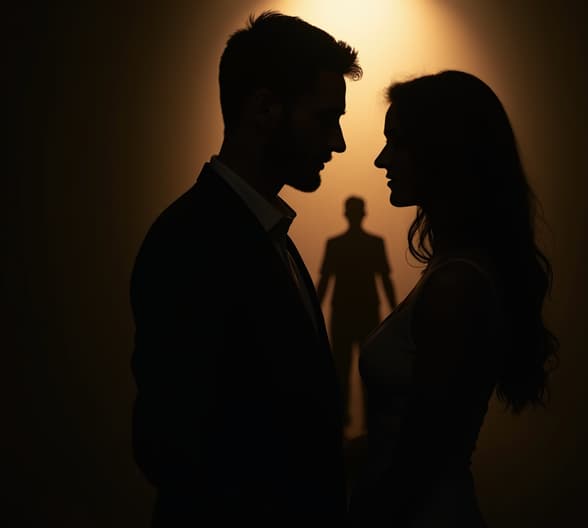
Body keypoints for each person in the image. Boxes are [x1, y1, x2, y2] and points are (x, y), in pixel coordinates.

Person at [129, 11, 361, 527]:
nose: (339, 143)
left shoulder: (266, 235)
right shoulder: (188, 242)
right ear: (264, 110)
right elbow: (171, 444)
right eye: (325, 119)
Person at [347, 70, 559, 527]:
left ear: (442, 152)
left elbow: (418, 459)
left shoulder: (455, 287)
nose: (382, 160)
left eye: (397, 143)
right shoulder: (452, 273)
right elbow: (401, 439)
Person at [317, 196, 397, 431]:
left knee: (342, 370)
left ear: (347, 214)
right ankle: (367, 427)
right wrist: (395, 312)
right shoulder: (374, 243)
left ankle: (341, 427)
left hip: (345, 314)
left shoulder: (336, 244)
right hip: (364, 314)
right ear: (364, 213)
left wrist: (313, 310)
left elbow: (324, 283)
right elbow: (385, 280)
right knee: (367, 371)